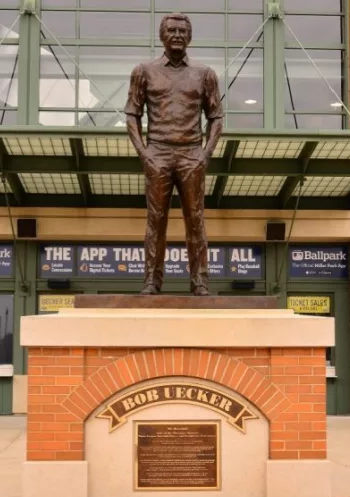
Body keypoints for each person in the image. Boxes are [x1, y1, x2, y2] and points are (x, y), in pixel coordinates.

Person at [125, 12, 224, 296]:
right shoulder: (144, 71)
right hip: (158, 151)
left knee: (196, 218)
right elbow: (132, 114)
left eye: (183, 31)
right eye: (172, 30)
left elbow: (216, 117)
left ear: (190, 37)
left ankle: (200, 281)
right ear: (162, 35)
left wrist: (205, 154)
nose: (178, 35)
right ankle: (152, 281)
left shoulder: (204, 74)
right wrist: (144, 153)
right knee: (156, 219)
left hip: (192, 153)